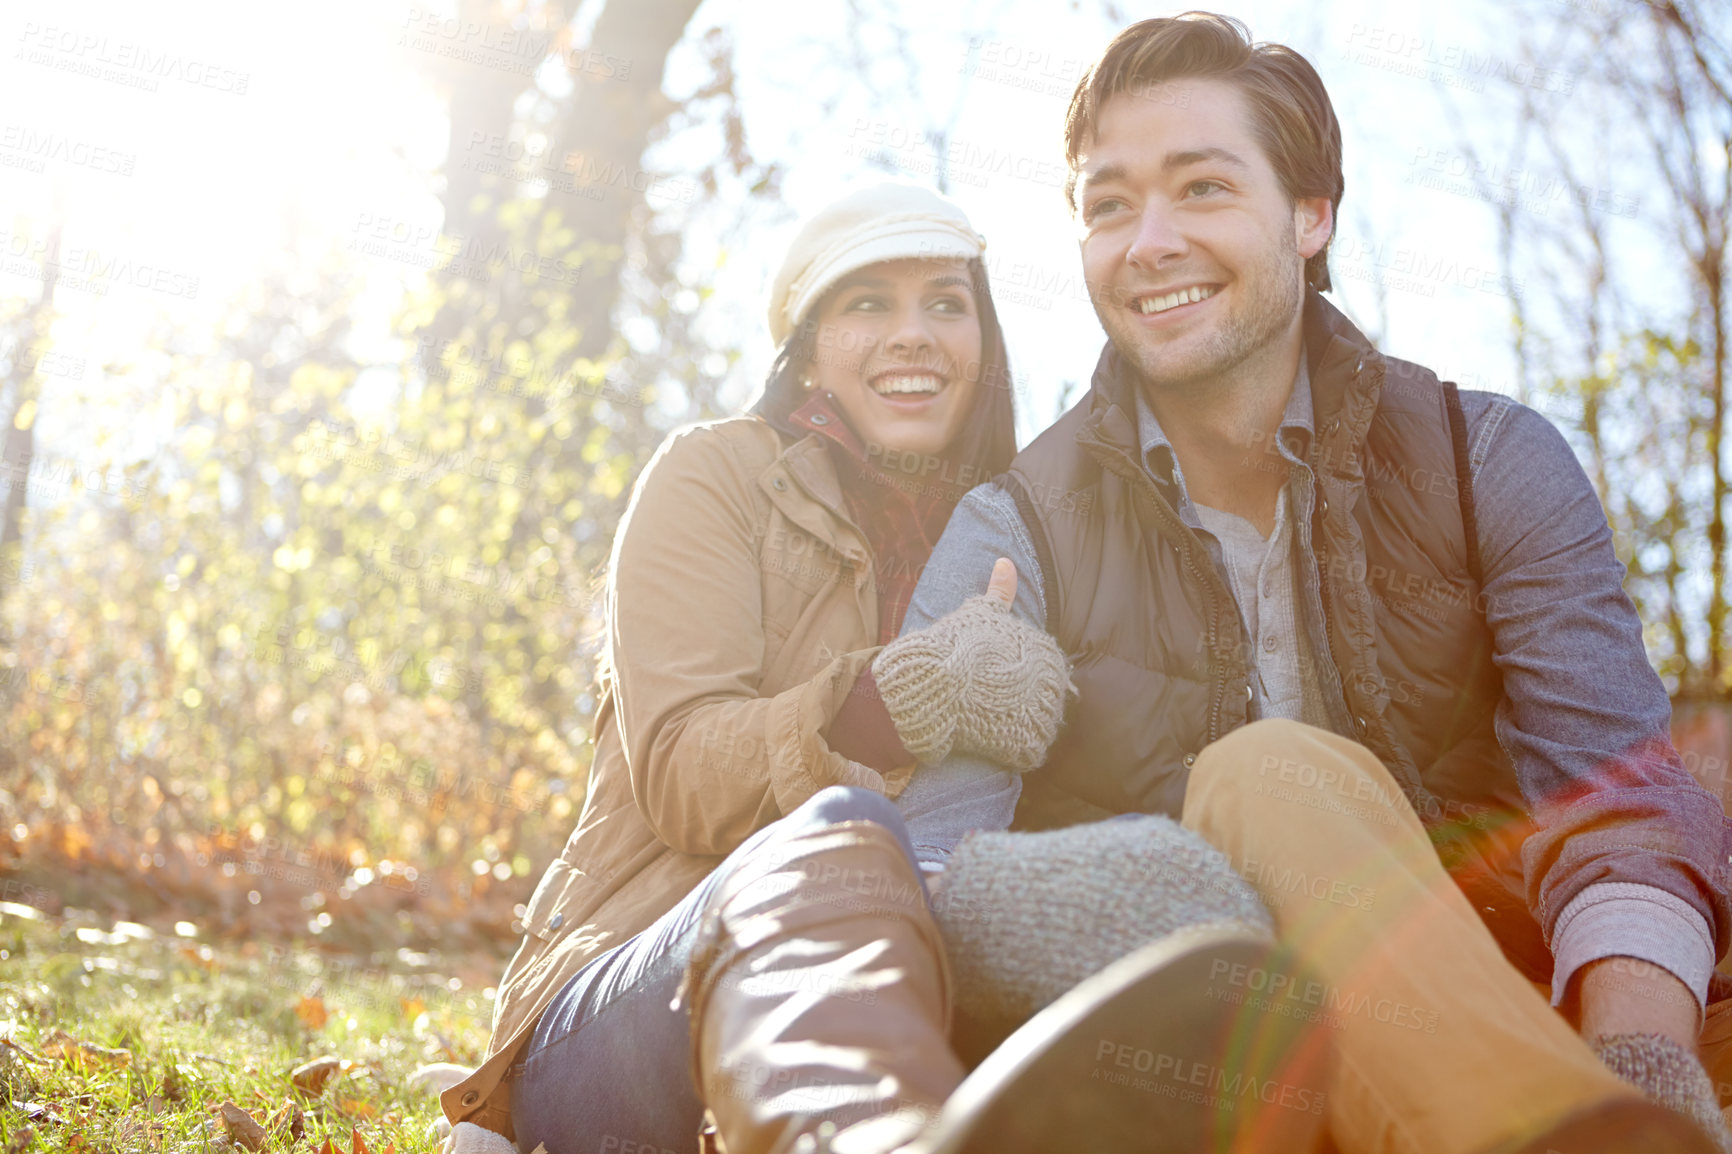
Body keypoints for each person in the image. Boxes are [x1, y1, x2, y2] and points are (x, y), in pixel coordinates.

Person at [682, 14, 1732, 1154]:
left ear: (1310, 213)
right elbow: (932, 877)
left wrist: (1641, 1051)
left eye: (1201, 188)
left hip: (1527, 1008)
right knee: (1266, 772)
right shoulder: (1013, 529)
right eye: (1109, 204)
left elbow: (1618, 803)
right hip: (1228, 1067)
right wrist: (1160, 899)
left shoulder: (1486, 460)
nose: (1148, 241)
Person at [437, 181, 1141, 1153]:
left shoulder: (1021, 538)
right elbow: (680, 771)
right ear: (809, 346)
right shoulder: (713, 477)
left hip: (924, 996)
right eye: (867, 303)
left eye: (946, 302)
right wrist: (901, 698)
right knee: (843, 841)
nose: (915, 334)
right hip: (635, 1006)